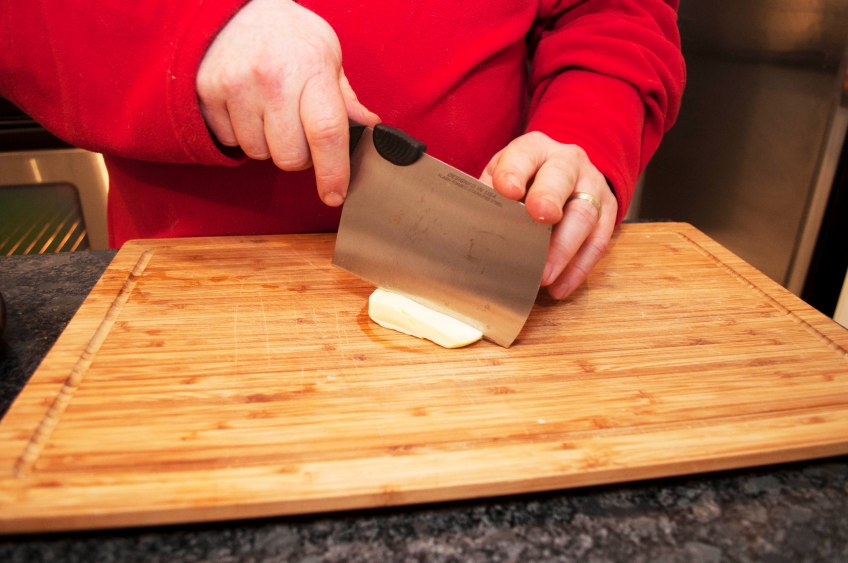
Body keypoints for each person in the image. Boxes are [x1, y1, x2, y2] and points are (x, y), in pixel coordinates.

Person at [0, 0, 685, 299]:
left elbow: (611, 11)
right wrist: (193, 32)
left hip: (482, 271)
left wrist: (586, 131)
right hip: (187, 308)